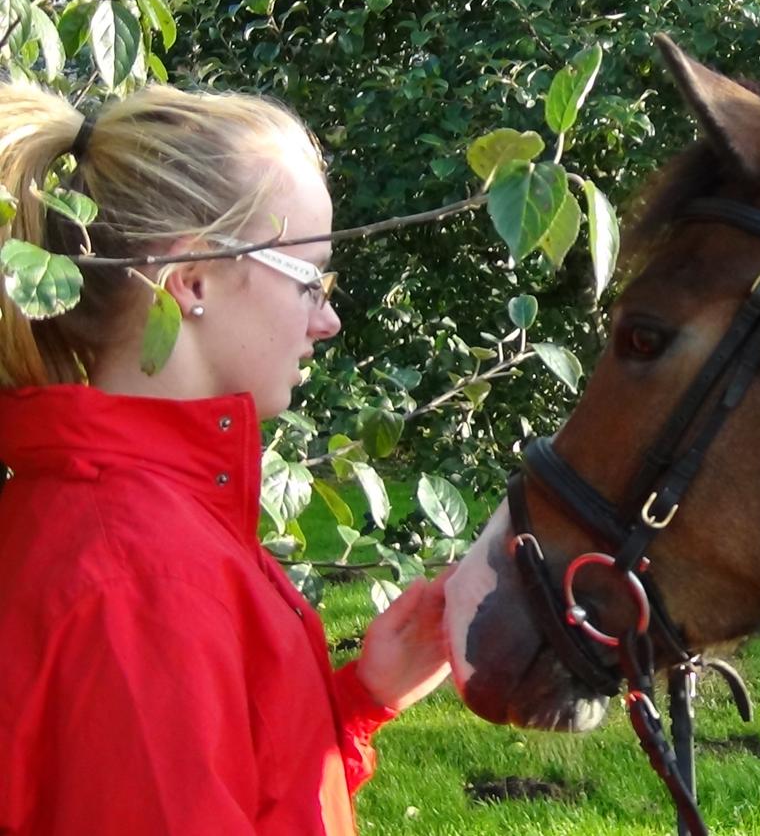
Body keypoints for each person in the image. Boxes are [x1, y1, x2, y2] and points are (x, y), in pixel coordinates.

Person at [0, 81, 450, 835]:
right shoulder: (141, 577)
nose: (328, 320)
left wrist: (360, 701)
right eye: (311, 280)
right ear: (193, 279)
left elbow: (220, 780)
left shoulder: (148, 521)